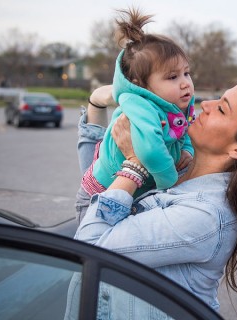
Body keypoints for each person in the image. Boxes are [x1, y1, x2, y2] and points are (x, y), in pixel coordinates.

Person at [67, 78, 237, 320]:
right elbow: (99, 188)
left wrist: (135, 164)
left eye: (222, 108)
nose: (207, 104)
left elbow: (88, 250)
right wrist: (97, 103)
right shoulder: (176, 166)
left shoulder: (207, 216)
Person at [75, 8, 195, 222]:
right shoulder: (140, 105)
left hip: (134, 191)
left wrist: (186, 149)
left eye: (187, 73)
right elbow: (149, 151)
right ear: (142, 85)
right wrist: (170, 182)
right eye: (172, 77)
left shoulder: (178, 102)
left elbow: (185, 130)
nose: (185, 82)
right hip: (101, 192)